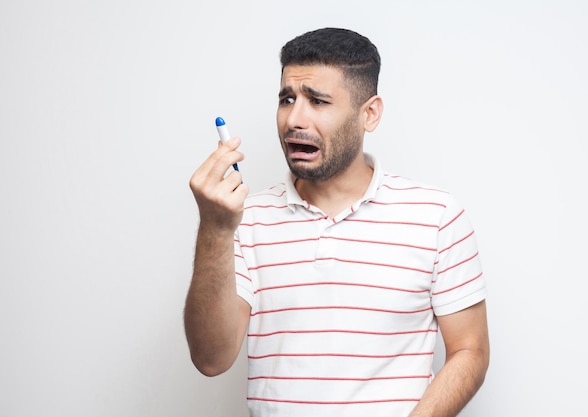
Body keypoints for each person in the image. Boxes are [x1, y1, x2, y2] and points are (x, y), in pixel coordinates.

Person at [185, 27, 489, 417]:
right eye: (287, 98)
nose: (294, 118)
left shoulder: (437, 216)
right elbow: (211, 359)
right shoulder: (245, 220)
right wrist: (215, 228)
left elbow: (471, 349)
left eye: (317, 101)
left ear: (370, 114)